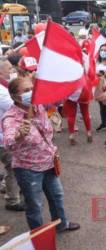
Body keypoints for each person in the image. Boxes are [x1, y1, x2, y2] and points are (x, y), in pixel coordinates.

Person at [2, 77, 80, 232]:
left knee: (56, 197)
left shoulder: (38, 105)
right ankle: (39, 237)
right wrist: (19, 135)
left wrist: (69, 84)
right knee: (35, 205)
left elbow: (58, 100)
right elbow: (8, 143)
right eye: (25, 91)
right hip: (28, 170)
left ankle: (61, 224)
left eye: (32, 89)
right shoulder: (11, 117)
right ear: (14, 96)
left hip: (49, 163)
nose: (31, 93)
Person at [0, 57, 24, 212]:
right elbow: (14, 106)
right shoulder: (2, 91)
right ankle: (12, 200)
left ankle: (6, 187)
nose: (12, 71)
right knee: (12, 167)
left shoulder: (4, 86)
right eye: (9, 69)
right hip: (3, 137)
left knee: (10, 166)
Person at [95, 44, 106, 132]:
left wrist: (105, 74)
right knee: (102, 106)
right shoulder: (97, 62)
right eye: (101, 50)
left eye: (105, 50)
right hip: (98, 86)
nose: (103, 52)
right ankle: (104, 123)